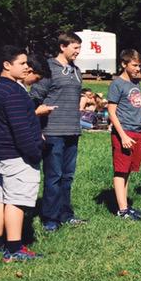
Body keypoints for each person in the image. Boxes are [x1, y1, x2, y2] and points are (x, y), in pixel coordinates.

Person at [0, 47, 44, 262]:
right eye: (22, 63)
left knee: (0, 197)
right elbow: (21, 130)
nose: (27, 67)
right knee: (16, 201)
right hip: (16, 154)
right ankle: (14, 248)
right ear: (6, 65)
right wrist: (35, 152)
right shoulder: (14, 92)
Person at [30, 31, 86, 232]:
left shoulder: (76, 71)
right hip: (53, 131)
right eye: (75, 47)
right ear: (63, 47)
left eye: (79, 48)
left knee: (67, 176)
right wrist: (38, 128)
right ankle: (50, 218)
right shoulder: (49, 68)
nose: (78, 52)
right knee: (53, 176)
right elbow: (34, 99)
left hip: (72, 130)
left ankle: (66, 214)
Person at [106, 49, 141, 221]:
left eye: (139, 65)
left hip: (136, 131)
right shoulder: (117, 84)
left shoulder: (135, 83)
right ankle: (122, 210)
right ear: (124, 64)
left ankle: (125, 206)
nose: (138, 68)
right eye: (134, 65)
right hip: (124, 132)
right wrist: (123, 135)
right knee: (120, 170)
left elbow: (136, 108)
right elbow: (111, 112)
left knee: (128, 171)